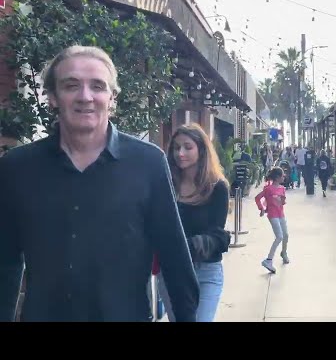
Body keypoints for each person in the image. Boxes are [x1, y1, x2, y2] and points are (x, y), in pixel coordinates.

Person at [0, 45, 199, 322]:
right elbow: (5, 263)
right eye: (71, 86)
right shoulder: (16, 168)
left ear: (112, 98)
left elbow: (174, 257)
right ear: (53, 97)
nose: (85, 97)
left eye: (97, 86)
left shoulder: (149, 163)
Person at [158, 123, 230, 322]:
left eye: (188, 147)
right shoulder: (166, 184)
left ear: (201, 149)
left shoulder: (217, 187)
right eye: (176, 147)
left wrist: (189, 246)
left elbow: (217, 233)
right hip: (173, 272)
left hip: (207, 270)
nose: (180, 153)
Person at [255, 167, 289, 274]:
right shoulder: (268, 189)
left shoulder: (282, 188)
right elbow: (257, 198)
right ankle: (268, 260)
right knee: (279, 236)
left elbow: (282, 202)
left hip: (281, 214)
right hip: (272, 215)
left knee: (286, 235)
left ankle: (284, 252)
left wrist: (281, 200)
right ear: (278, 177)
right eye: (282, 176)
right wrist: (262, 209)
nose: (284, 177)